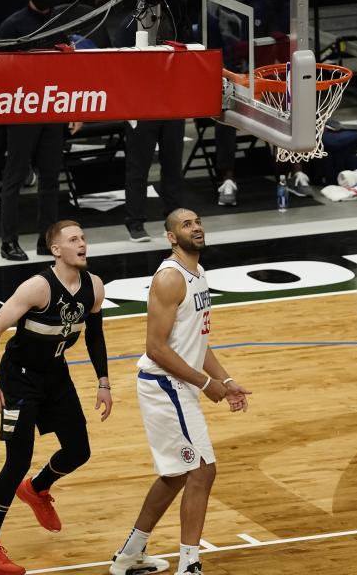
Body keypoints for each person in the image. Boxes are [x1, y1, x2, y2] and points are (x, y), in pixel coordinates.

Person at [110, 208, 252, 575]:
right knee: (203, 471)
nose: (196, 228)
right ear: (171, 237)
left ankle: (130, 554)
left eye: (198, 222)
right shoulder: (170, 279)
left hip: (178, 384)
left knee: (176, 474)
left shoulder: (199, 274)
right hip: (164, 385)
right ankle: (189, 565)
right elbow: (156, 348)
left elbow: (196, 342)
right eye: (186, 225)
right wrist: (207, 384)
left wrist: (226, 378)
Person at [0, 220, 111, 575]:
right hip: (19, 378)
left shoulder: (94, 286)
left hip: (55, 375)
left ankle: (36, 488)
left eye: (84, 237)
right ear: (56, 250)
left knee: (79, 450)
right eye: (73, 239)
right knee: (17, 460)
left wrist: (103, 382)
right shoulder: (38, 287)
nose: (82, 244)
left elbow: (95, 335)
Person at [0, 0, 82, 260]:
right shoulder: (12, 25)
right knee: (15, 178)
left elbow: (68, 68)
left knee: (50, 179)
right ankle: (9, 242)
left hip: (54, 110)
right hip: (22, 111)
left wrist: (73, 108)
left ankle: (47, 241)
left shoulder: (60, 23)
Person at [212, 0, 307, 206]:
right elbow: (209, 55)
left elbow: (274, 46)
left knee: (285, 106)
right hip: (227, 82)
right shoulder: (215, 9)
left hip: (259, 80)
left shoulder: (262, 5)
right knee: (225, 115)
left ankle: (294, 172)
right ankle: (227, 180)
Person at [124, 118, 187, 242]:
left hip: (173, 109)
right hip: (141, 109)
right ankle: (135, 222)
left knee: (173, 166)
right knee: (138, 168)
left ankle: (173, 218)